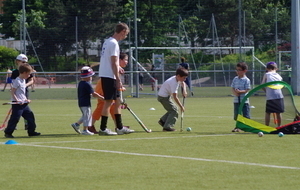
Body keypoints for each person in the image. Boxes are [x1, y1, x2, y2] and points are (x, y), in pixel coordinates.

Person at [98, 22, 134, 135]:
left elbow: (112, 62)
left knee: (117, 102)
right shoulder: (113, 44)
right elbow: (113, 63)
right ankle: (103, 128)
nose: (125, 36)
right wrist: (118, 79)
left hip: (108, 74)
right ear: (122, 31)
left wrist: (118, 67)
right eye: (126, 34)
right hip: (109, 76)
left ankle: (119, 127)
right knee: (108, 102)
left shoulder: (107, 42)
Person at [90, 52, 130, 134]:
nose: (127, 62)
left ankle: (119, 126)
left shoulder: (117, 68)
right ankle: (90, 125)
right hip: (102, 89)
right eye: (125, 60)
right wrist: (121, 89)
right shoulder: (115, 68)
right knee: (101, 107)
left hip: (105, 88)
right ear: (119, 60)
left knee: (113, 108)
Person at [4, 63, 41, 138]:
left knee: (30, 117)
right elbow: (12, 91)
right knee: (15, 118)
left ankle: (31, 132)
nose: (29, 76)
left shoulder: (23, 80)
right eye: (28, 74)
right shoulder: (17, 81)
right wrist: (17, 100)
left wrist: (26, 99)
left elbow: (22, 92)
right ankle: (8, 132)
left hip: (24, 103)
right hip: (17, 104)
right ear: (24, 73)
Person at [71, 66, 104, 135]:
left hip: (81, 102)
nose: (91, 77)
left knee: (86, 115)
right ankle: (85, 130)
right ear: (87, 77)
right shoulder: (87, 84)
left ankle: (76, 124)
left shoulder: (81, 83)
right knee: (87, 116)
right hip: (85, 103)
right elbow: (94, 94)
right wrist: (101, 98)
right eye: (90, 76)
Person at [11, 54, 34, 130]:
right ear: (18, 61)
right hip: (17, 95)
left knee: (27, 113)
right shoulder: (15, 73)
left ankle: (28, 126)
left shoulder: (28, 70)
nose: (24, 63)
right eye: (22, 61)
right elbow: (13, 85)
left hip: (24, 93)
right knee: (16, 114)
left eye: (25, 62)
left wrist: (24, 85)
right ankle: (12, 127)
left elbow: (31, 81)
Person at [261, 62, 284, 127]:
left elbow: (262, 85)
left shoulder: (267, 74)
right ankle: (279, 126)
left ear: (266, 68)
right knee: (278, 112)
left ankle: (266, 126)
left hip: (270, 96)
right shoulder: (279, 76)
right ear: (276, 68)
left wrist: (266, 91)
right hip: (279, 95)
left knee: (268, 112)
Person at [231, 62, 251, 132]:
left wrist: (240, 92)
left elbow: (247, 89)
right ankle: (237, 127)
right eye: (237, 70)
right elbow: (232, 88)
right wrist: (235, 93)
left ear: (244, 71)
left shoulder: (246, 80)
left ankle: (247, 127)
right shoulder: (235, 79)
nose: (238, 71)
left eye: (239, 70)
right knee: (237, 115)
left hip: (244, 101)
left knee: (246, 115)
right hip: (236, 100)